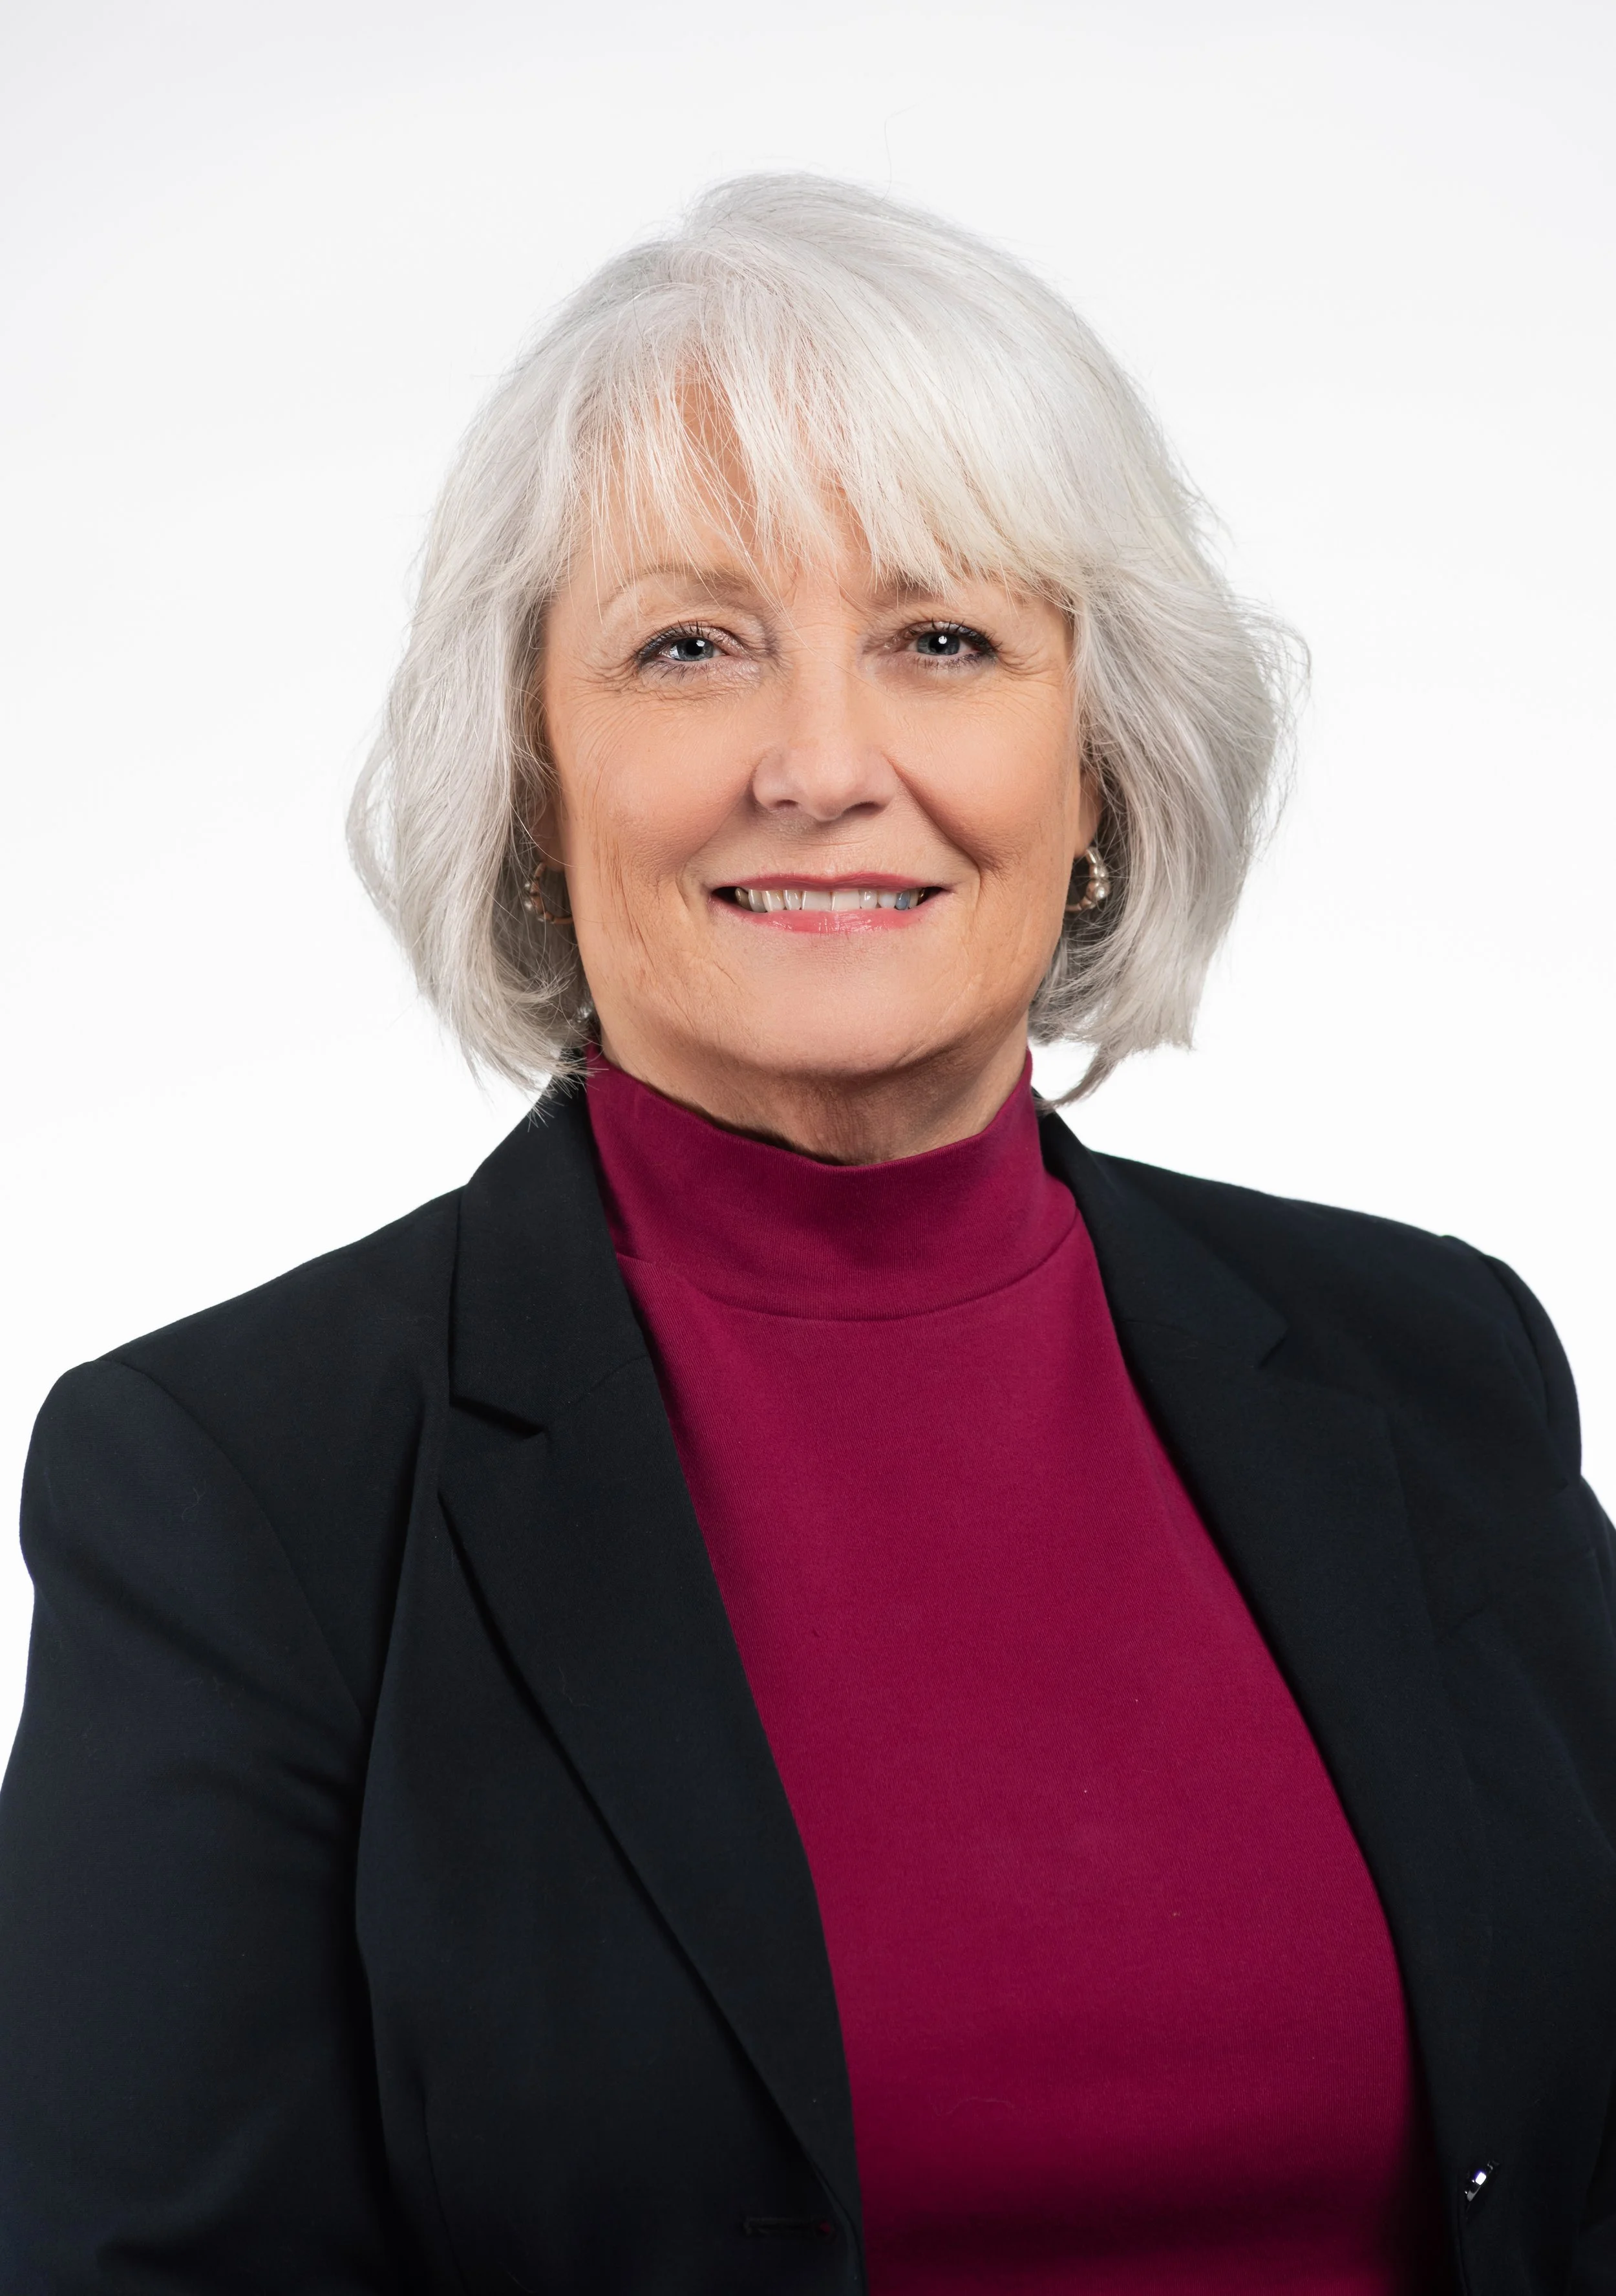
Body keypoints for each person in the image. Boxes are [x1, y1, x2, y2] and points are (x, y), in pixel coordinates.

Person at [0, 174, 1611, 2296]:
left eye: (943, 640)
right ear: (531, 770)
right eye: (690, 646)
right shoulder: (235, 1485)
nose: (824, 764)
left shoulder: (1437, 1362)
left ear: (1097, 760)